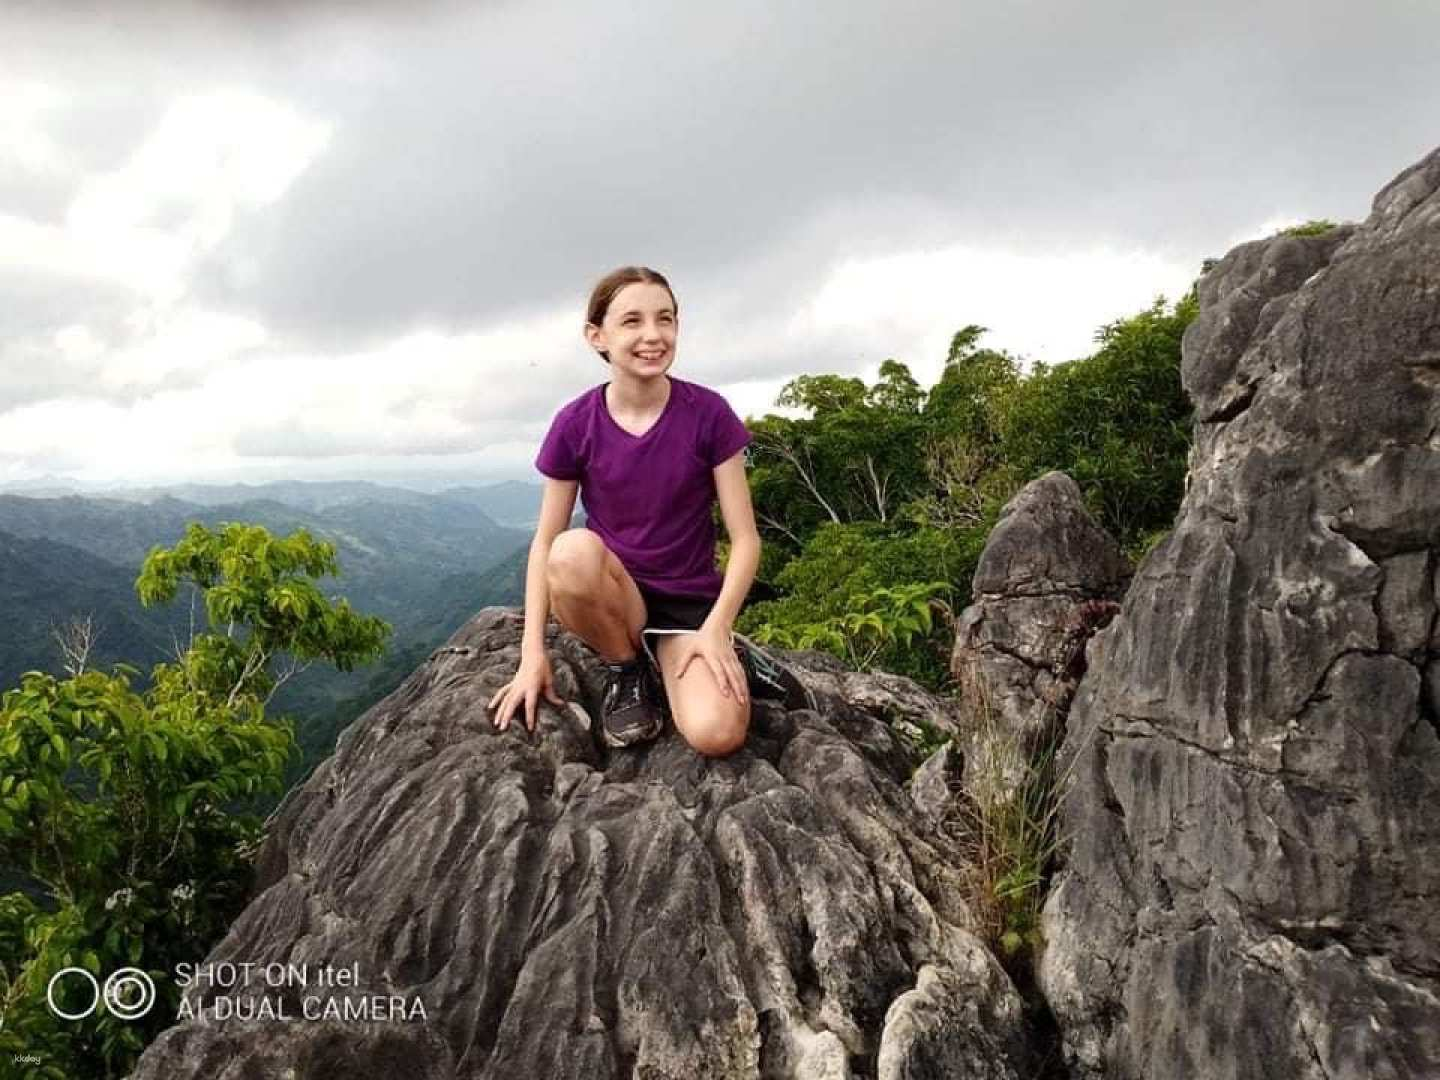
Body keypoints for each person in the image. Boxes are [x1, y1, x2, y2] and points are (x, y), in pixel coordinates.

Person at [486, 265, 811, 756]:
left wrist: (717, 629)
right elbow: (544, 544)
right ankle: (627, 669)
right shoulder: (575, 424)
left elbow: (746, 539)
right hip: (618, 597)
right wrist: (532, 654)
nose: (652, 335)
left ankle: (738, 656)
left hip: (688, 608)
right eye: (632, 321)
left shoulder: (709, 414)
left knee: (716, 735)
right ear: (597, 336)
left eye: (665, 319)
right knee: (570, 552)